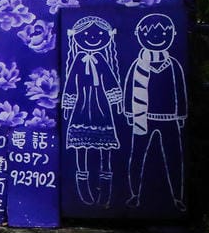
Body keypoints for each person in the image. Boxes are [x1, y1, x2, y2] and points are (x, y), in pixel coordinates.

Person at [124, 13, 187, 211]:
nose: (157, 37)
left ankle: (177, 197)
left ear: (172, 35)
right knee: (137, 155)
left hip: (169, 118)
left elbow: (180, 91)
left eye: (163, 33)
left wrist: (182, 114)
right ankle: (134, 194)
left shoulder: (174, 65)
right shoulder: (138, 65)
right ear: (140, 35)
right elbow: (129, 90)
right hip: (143, 117)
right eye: (150, 33)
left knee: (174, 157)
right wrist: (129, 112)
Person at [61, 16, 122, 207]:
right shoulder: (78, 60)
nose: (92, 38)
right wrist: (69, 104)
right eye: (86, 34)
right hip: (81, 105)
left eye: (97, 34)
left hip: (100, 105)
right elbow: (71, 82)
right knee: (81, 146)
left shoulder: (101, 59)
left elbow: (110, 80)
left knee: (105, 147)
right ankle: (84, 186)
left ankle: (105, 187)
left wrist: (116, 101)